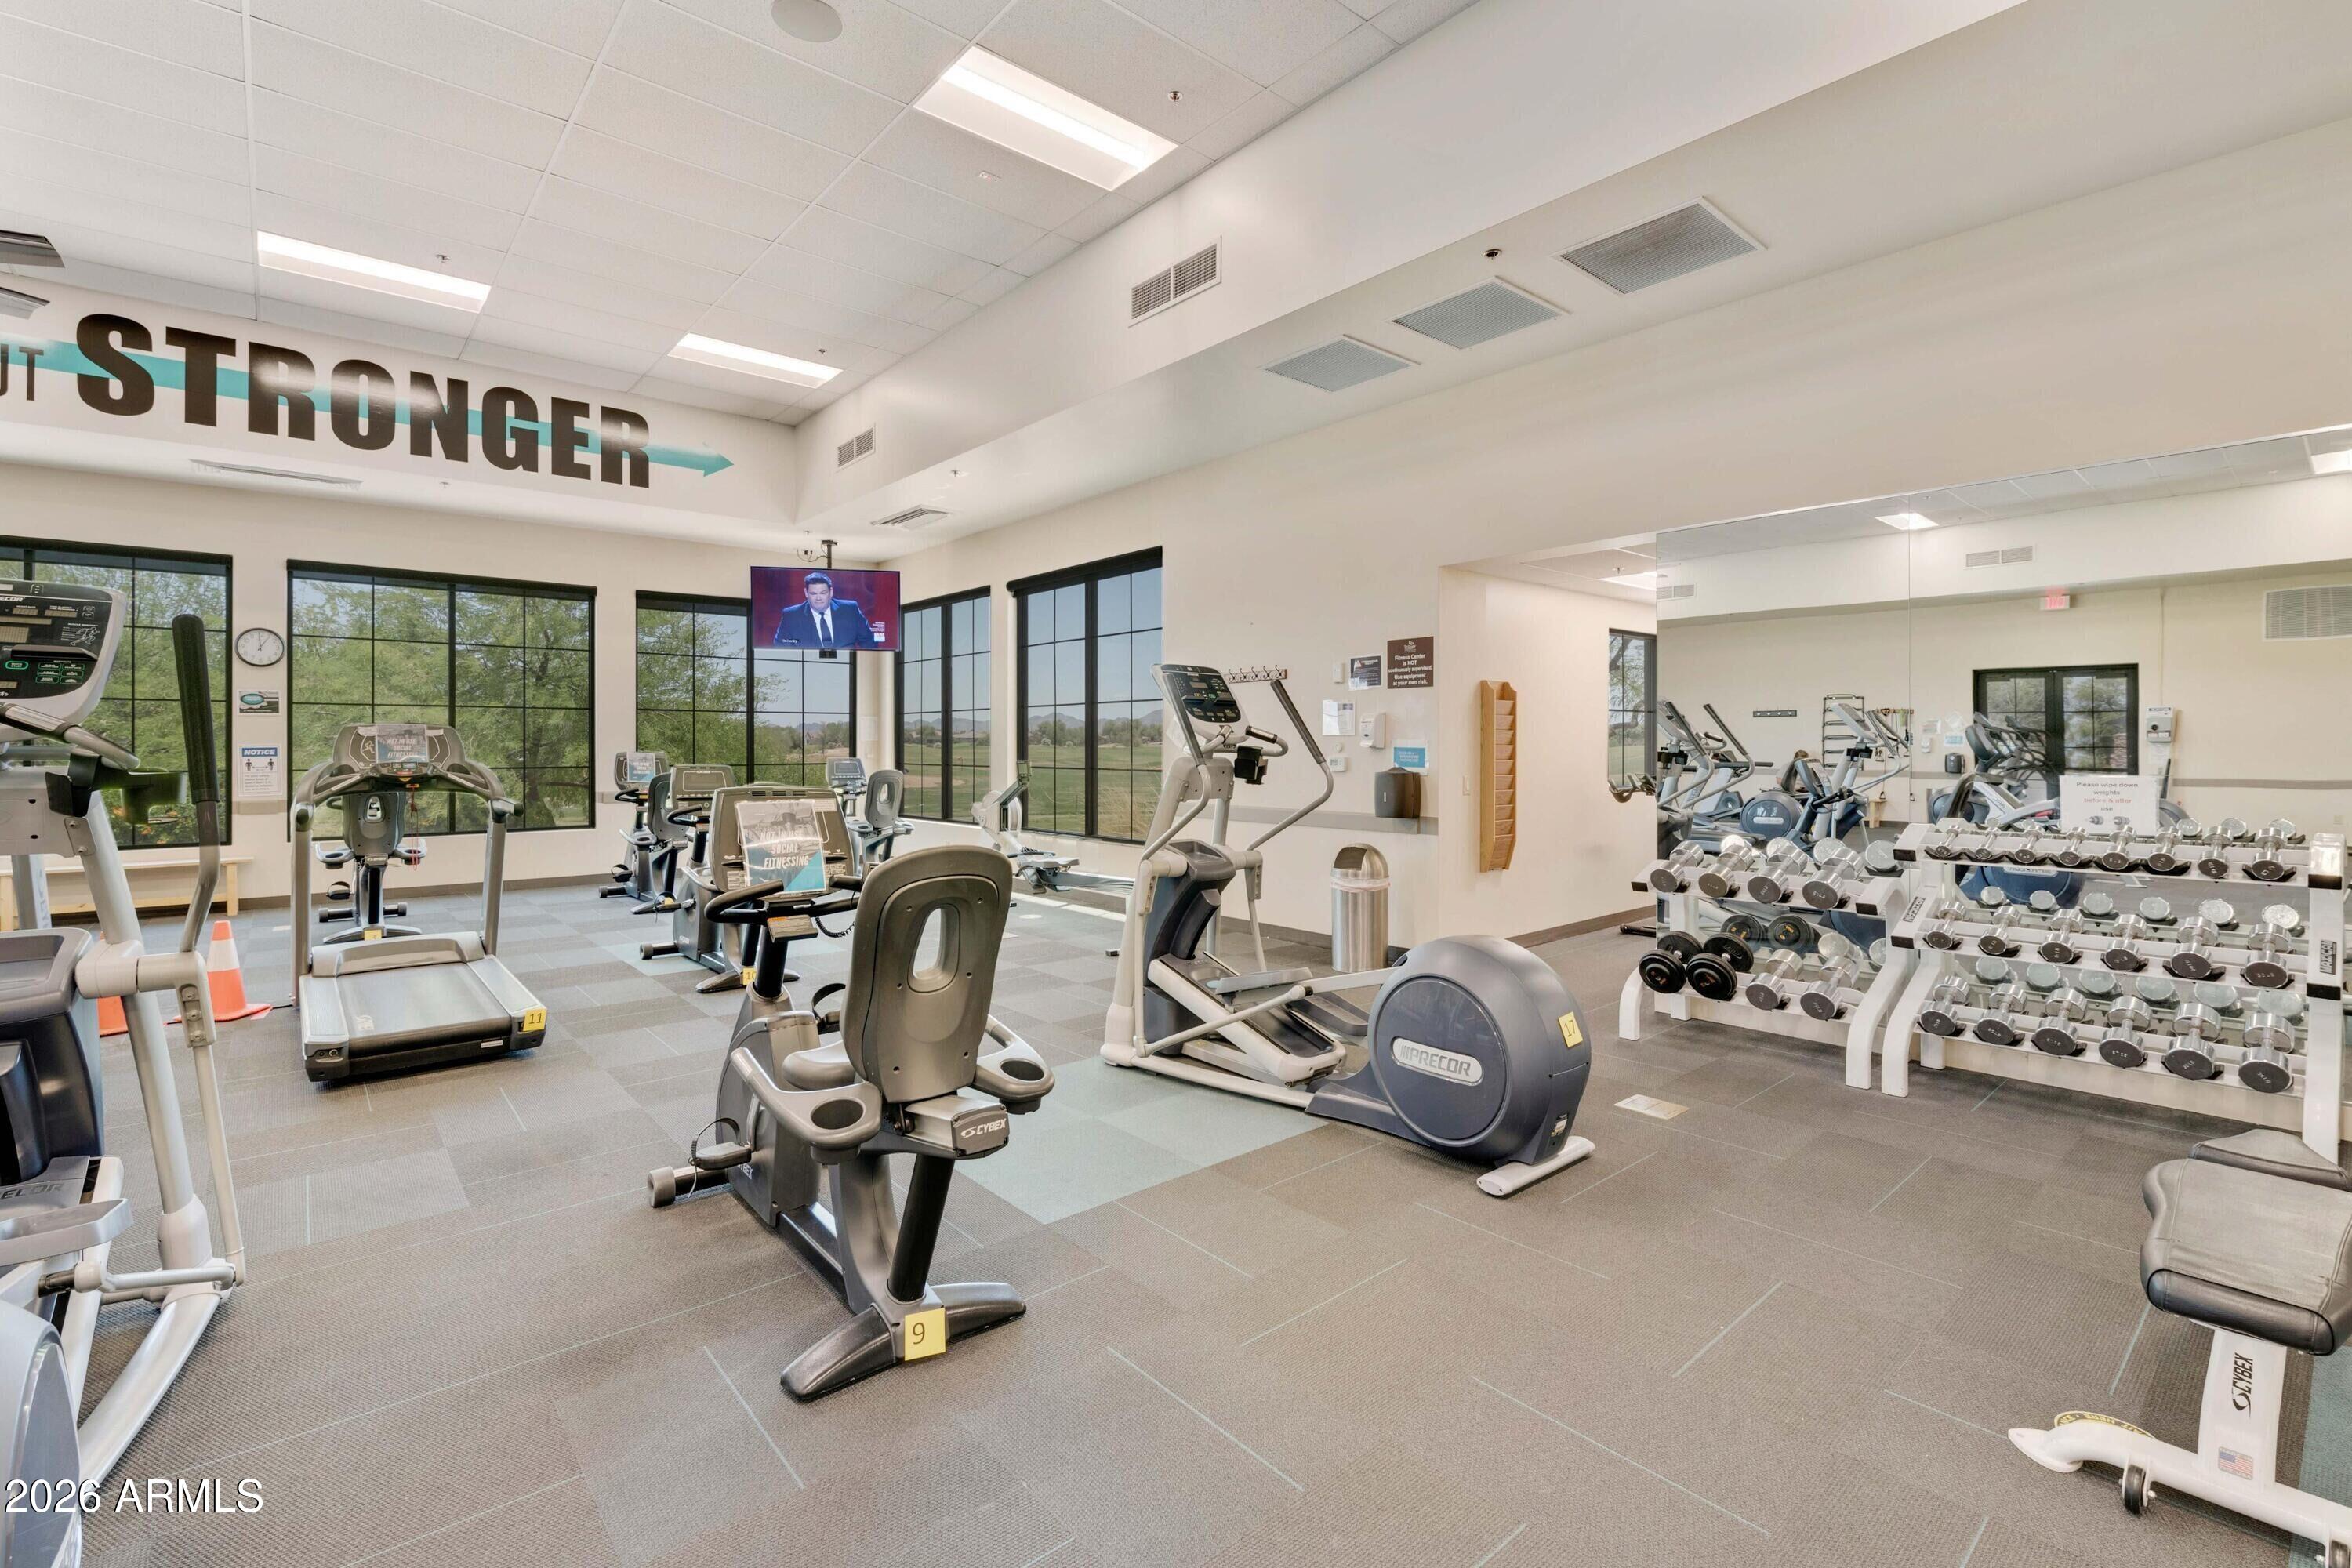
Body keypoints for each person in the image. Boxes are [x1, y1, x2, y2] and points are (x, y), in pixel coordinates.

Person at [771, 571, 876, 649]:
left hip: (848, 665)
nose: (818, 598)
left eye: (823, 593)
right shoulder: (791, 616)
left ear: (831, 592)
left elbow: (869, 641)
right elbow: (781, 648)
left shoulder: (850, 609)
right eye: (813, 594)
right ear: (806, 593)